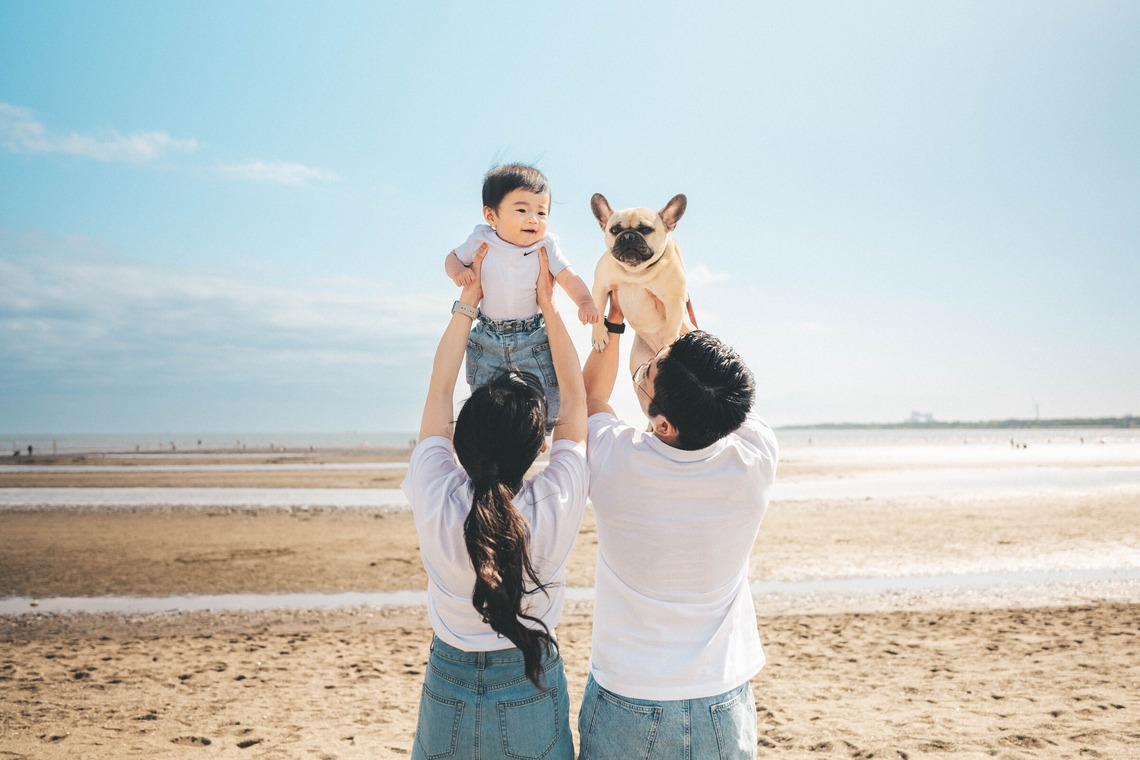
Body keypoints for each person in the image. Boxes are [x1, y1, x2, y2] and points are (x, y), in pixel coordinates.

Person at [402, 245, 588, 760]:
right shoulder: (555, 499)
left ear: (460, 437)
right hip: (530, 673)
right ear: (541, 444)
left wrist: (468, 301)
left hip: (449, 674)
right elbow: (575, 400)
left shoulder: (436, 490)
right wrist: (550, 309)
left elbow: (439, 391)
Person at [577, 296, 779, 760]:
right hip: (722, 701)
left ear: (664, 425)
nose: (644, 366)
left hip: (628, 698)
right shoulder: (756, 457)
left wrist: (615, 320)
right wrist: (682, 335)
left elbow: (590, 399)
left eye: (644, 374)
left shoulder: (615, 462)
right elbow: (728, 400)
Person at [445, 163, 599, 428]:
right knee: (485, 397)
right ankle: (489, 431)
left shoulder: (547, 245)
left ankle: (541, 431)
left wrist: (585, 301)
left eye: (541, 212)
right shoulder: (481, 239)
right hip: (487, 337)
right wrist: (458, 271)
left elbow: (568, 276)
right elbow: (451, 258)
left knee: (548, 395)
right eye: (522, 210)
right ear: (491, 216)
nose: (534, 219)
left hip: (532, 337)